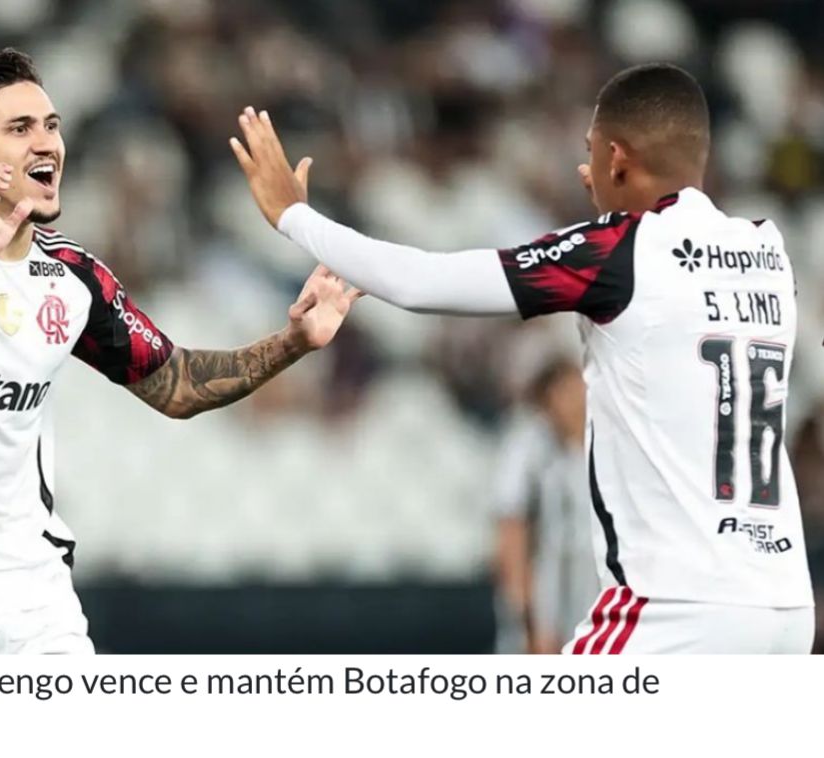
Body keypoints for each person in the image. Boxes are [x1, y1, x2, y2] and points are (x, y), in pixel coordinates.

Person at [231, 63, 814, 653]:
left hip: (676, 606)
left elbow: (422, 281)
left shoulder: (619, 252)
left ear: (617, 158)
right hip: (785, 605)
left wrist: (294, 217)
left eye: (590, 152)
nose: (586, 170)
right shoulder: (768, 250)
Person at [0, 49, 361, 655]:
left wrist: (293, 343)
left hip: (33, 601)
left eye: (51, 125)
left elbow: (177, 384)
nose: (46, 143)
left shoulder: (71, 276)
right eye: (20, 128)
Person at [494, 358, 598, 654]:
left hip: (596, 586)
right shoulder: (529, 449)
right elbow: (512, 529)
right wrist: (527, 617)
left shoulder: (606, 442)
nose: (577, 399)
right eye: (566, 391)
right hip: (549, 587)